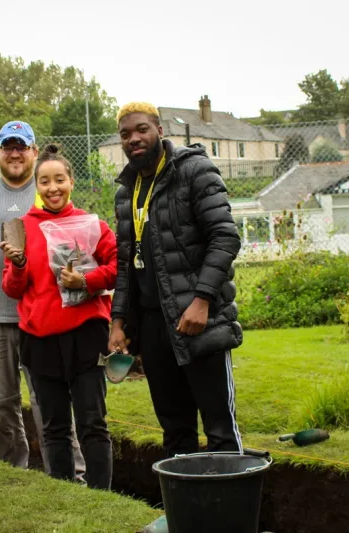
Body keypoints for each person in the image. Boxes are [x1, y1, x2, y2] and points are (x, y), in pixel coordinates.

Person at [0, 121, 85, 476]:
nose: (15, 152)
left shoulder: (50, 190)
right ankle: (12, 475)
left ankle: (68, 477)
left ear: (34, 153)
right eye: (8, 146)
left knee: (50, 405)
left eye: (22, 146)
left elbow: (76, 250)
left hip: (40, 317)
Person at [107, 102, 244, 457]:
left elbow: (225, 237)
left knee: (219, 427)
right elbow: (126, 262)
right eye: (125, 134)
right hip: (153, 327)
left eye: (141, 130)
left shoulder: (194, 170)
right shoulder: (127, 190)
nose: (134, 139)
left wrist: (202, 300)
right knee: (174, 427)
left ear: (159, 131)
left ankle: (227, 508)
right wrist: (118, 321)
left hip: (197, 320)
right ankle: (186, 509)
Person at [0, 144, 116, 489]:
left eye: (59, 180)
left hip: (86, 336)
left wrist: (87, 280)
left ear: (71, 182)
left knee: (92, 422)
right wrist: (19, 265)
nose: (53, 188)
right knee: (53, 427)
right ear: (36, 186)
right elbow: (12, 288)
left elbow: (117, 268)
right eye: (45, 181)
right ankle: (65, 494)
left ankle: (101, 497)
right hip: (39, 340)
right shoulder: (20, 227)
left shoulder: (93, 225)